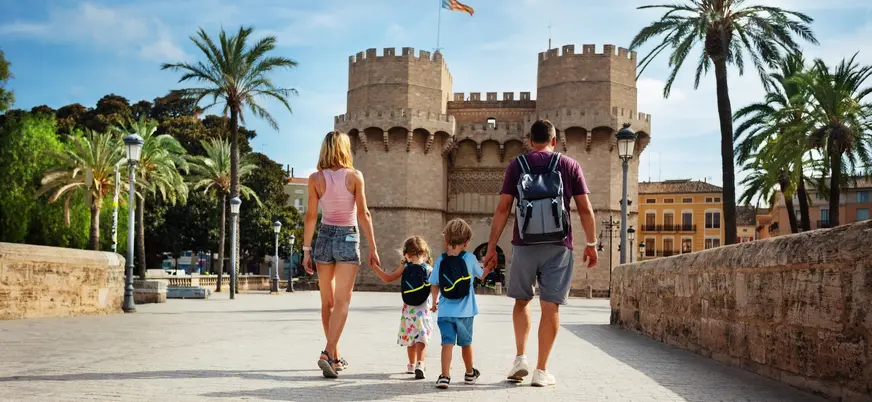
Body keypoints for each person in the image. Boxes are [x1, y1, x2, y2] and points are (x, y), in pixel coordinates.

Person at [483, 119, 599, 387]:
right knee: (551, 306)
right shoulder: (569, 165)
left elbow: (502, 209)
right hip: (559, 246)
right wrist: (591, 244)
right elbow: (584, 208)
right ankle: (541, 370)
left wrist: (491, 247)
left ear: (530, 141)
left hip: (524, 244)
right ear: (554, 140)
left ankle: (520, 357)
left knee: (522, 301)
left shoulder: (517, 165)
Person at [302, 131, 381, 379]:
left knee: (327, 302)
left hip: (324, 237)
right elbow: (363, 214)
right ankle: (327, 353)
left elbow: (311, 216)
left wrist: (306, 250)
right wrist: (374, 247)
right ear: (346, 149)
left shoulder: (315, 179)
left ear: (324, 149)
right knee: (343, 302)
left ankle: (334, 357)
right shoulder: (355, 177)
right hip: (348, 237)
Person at [429, 219, 491, 389]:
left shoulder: (441, 260)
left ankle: (444, 376)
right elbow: (481, 276)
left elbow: (434, 283)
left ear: (446, 240)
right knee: (466, 343)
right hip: (466, 312)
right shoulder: (470, 258)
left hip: (445, 312)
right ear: (467, 242)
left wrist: (434, 302)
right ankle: (470, 373)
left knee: (447, 342)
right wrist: (489, 266)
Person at [370, 236, 434, 379]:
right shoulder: (429, 269)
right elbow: (436, 287)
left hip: (408, 311)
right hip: (423, 311)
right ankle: (420, 364)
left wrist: (375, 267)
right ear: (425, 254)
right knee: (421, 339)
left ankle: (411, 365)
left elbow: (387, 278)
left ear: (406, 254)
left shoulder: (405, 267)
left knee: (410, 338)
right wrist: (436, 302)